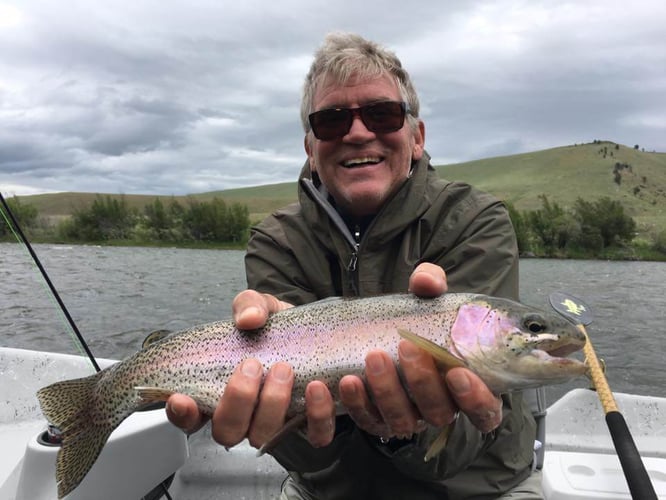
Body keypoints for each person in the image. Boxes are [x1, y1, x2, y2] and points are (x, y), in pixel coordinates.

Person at [167, 32, 542, 499]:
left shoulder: (474, 221)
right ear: (310, 146)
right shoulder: (276, 241)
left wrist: (403, 430)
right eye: (332, 120)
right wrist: (303, 428)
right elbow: (306, 452)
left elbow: (471, 433)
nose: (359, 132)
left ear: (417, 137)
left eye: (382, 114)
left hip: (477, 489)